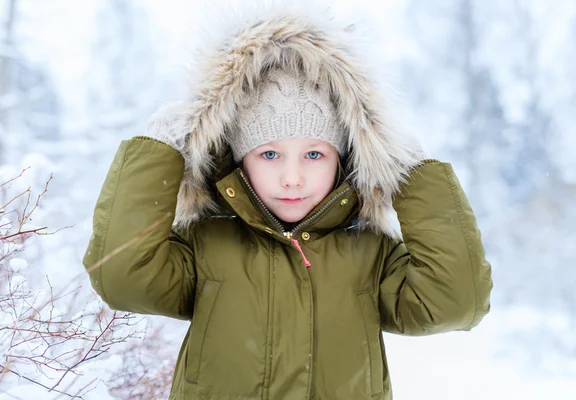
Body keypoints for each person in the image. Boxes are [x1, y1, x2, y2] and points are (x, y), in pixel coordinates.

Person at [83, 4, 492, 399]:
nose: (292, 177)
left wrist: (412, 172)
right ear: (239, 161)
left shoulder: (371, 254)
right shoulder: (205, 245)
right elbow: (124, 279)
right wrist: (161, 149)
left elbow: (455, 302)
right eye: (269, 154)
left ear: (344, 158)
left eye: (314, 154)